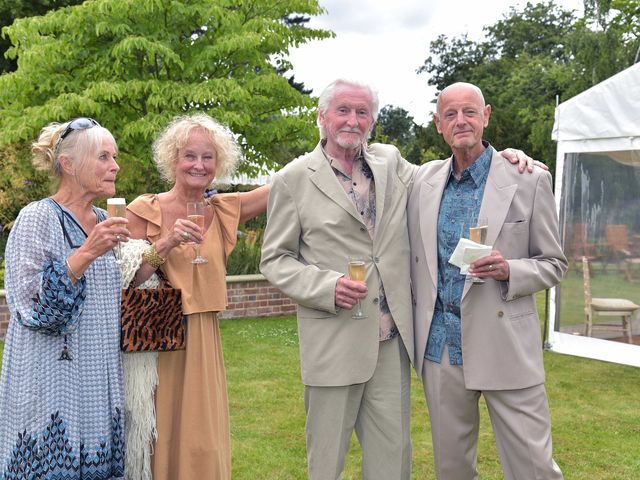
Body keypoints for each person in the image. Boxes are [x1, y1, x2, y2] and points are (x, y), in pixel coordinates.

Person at [259, 78, 540, 480]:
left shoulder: (390, 161)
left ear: (372, 120)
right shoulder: (293, 178)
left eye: (362, 112)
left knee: (394, 462)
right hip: (333, 342)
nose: (353, 121)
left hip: (392, 345)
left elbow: (448, 172)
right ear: (322, 116)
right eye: (343, 110)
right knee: (325, 463)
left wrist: (503, 158)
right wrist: (325, 287)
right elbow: (276, 259)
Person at [407, 82, 567, 479]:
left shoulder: (527, 179)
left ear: (486, 116)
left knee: (533, 467)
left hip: (507, 345)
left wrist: (511, 269)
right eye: (450, 114)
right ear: (438, 125)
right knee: (453, 470)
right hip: (441, 350)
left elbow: (553, 263)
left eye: (470, 112)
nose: (461, 121)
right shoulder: (420, 183)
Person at [125, 113, 269, 479]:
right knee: (164, 432)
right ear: (173, 160)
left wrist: (331, 139)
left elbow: (283, 186)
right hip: (160, 338)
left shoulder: (221, 210)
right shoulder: (145, 210)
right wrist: (169, 241)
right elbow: (128, 278)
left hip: (205, 337)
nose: (199, 165)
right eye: (190, 156)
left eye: (208, 158)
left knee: (204, 435)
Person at [0, 118, 130, 479]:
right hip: (50, 381)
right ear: (69, 165)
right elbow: (31, 305)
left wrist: (162, 248)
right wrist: (87, 251)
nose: (115, 165)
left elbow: (119, 288)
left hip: (98, 377)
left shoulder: (106, 219)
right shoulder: (37, 217)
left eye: (115, 156)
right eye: (103, 156)